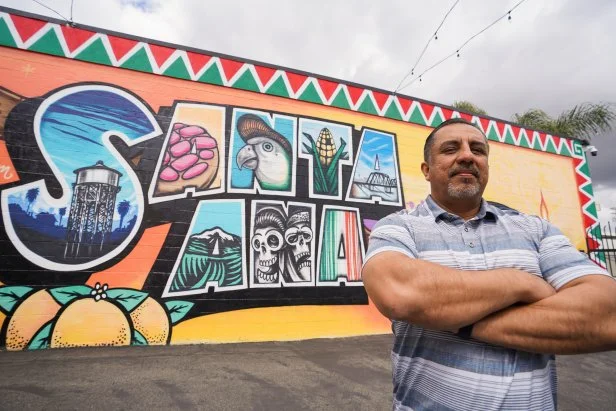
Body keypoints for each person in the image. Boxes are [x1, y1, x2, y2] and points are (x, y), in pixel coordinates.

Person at [362, 118, 616, 411]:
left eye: (478, 150)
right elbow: (399, 292)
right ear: (426, 170)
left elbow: (606, 315)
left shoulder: (534, 229)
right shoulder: (397, 227)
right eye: (450, 149)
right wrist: (522, 283)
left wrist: (451, 316)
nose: (468, 155)